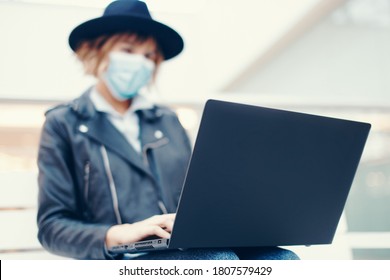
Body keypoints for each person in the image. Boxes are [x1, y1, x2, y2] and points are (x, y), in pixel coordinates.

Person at [37, 0, 299, 260]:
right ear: (95, 52)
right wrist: (119, 233)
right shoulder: (64, 124)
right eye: (128, 50)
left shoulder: (168, 121)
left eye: (149, 55)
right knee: (215, 261)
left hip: (180, 247)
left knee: (282, 260)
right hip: (122, 260)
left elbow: (197, 198)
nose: (140, 62)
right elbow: (52, 226)